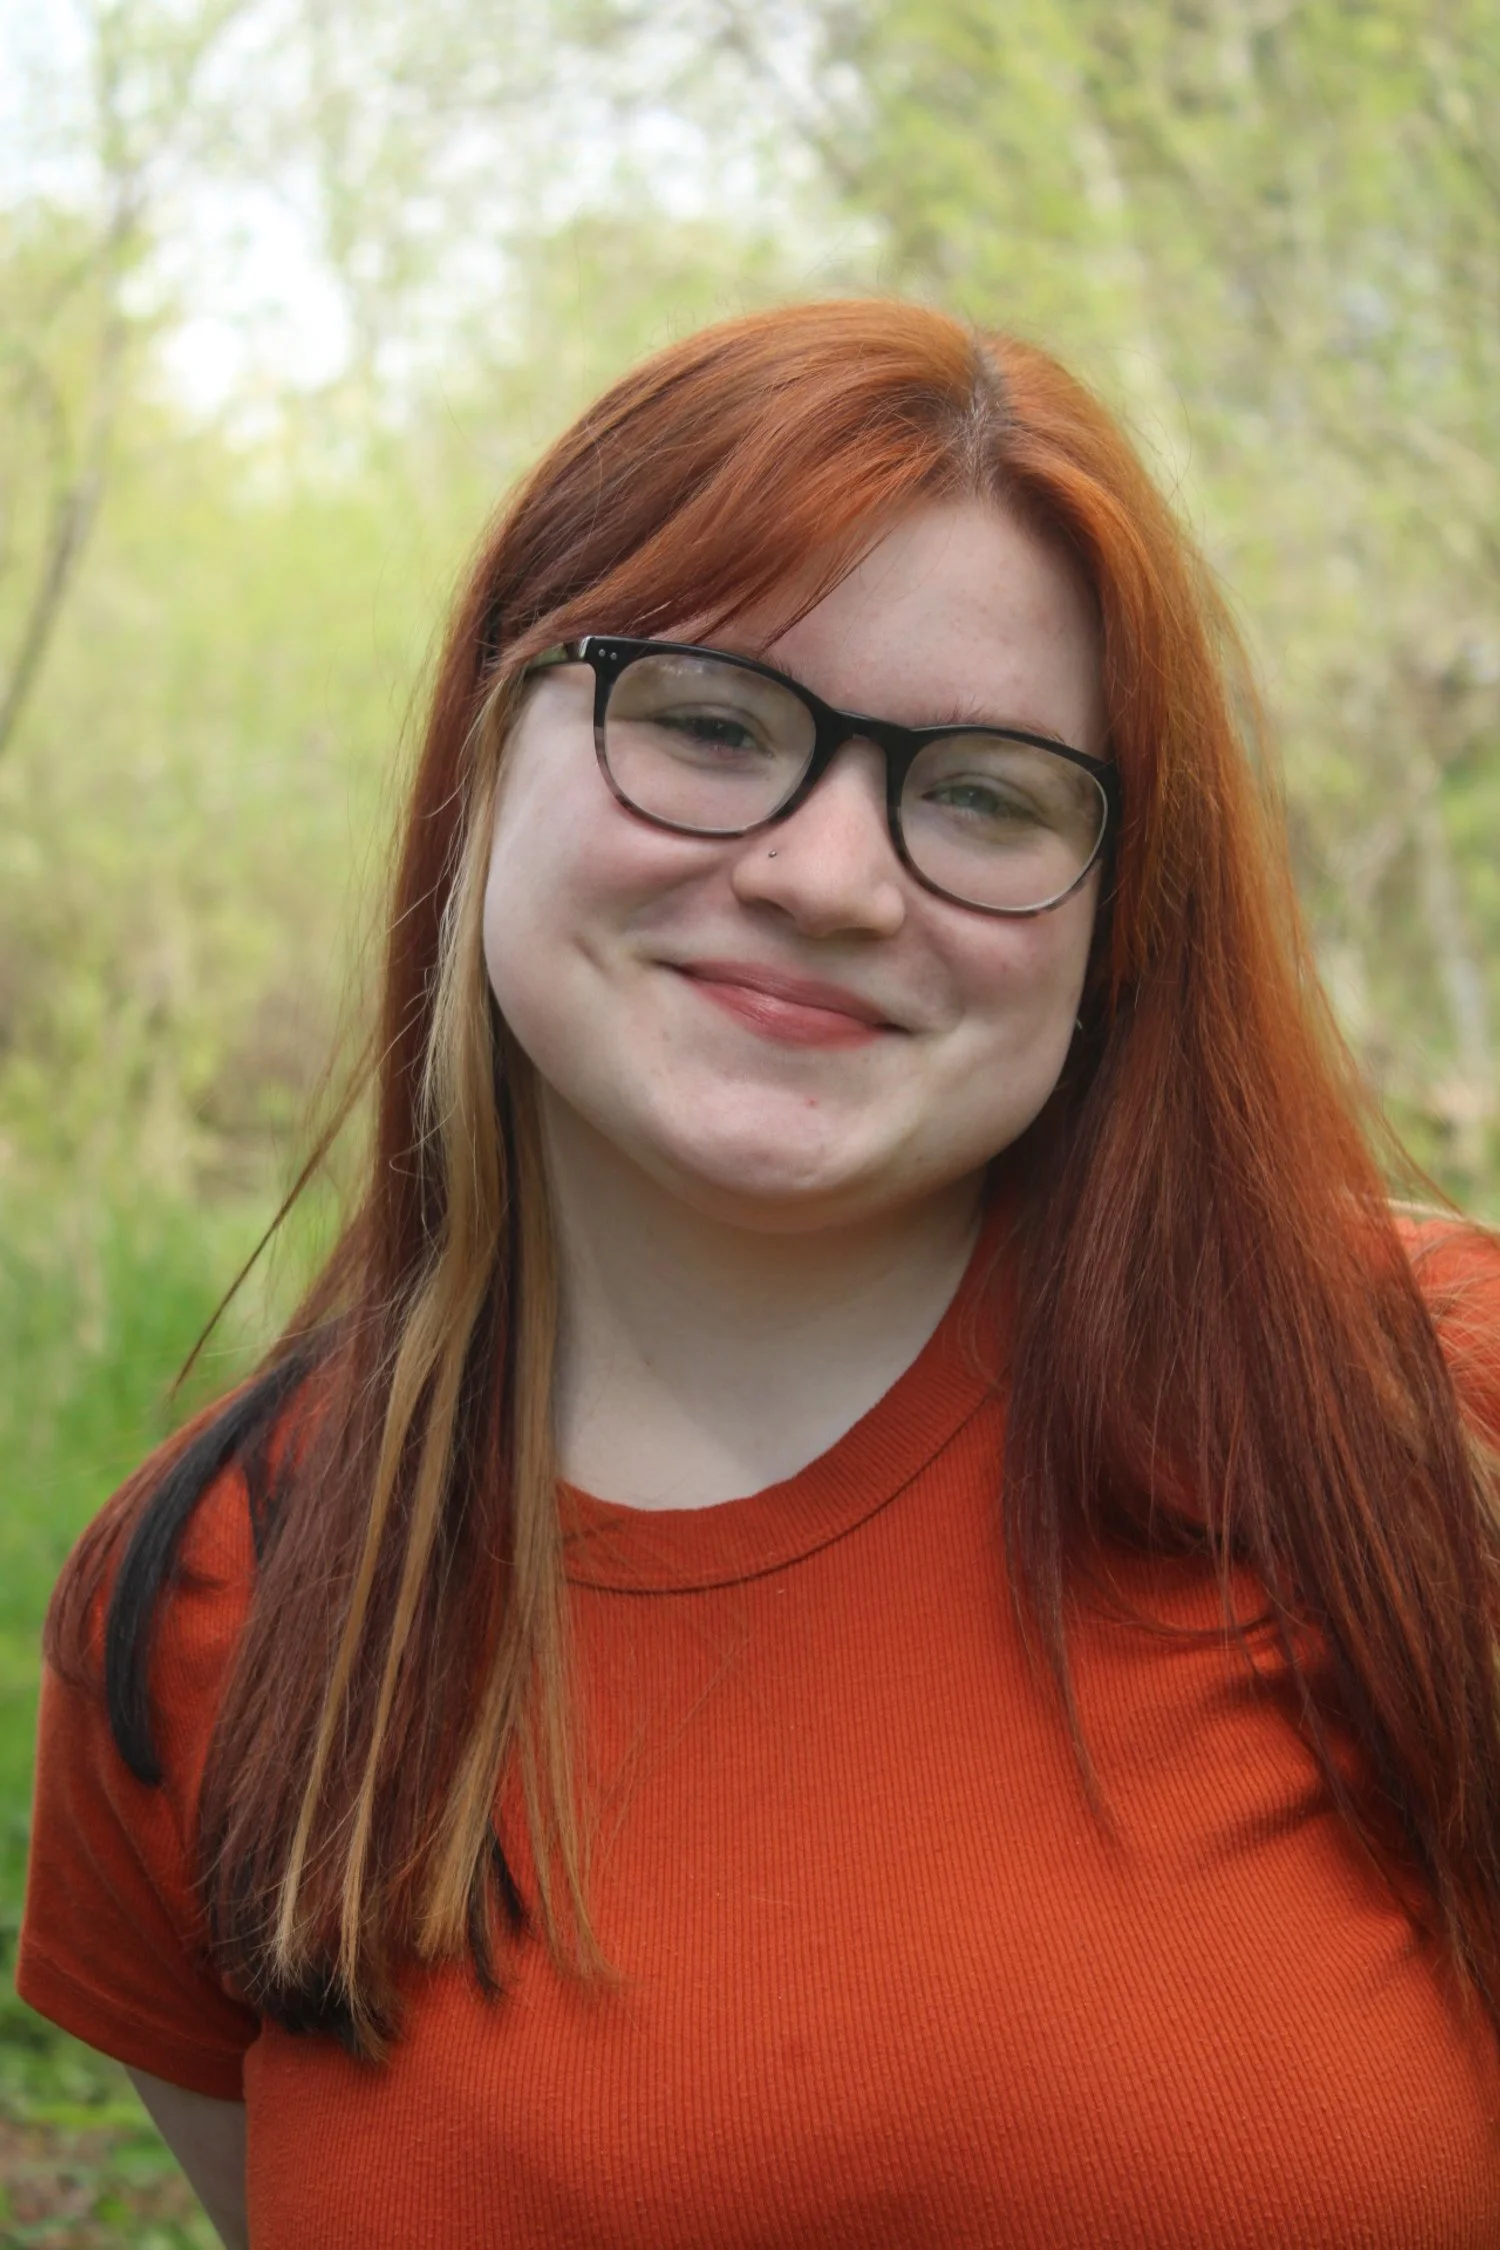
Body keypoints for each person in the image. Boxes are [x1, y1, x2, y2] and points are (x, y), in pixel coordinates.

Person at [17, 298, 1500, 2250]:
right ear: (488, 747)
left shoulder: (1425, 1418)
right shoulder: (212, 1607)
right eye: (710, 724)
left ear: (1119, 909)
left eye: (984, 791)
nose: (826, 877)